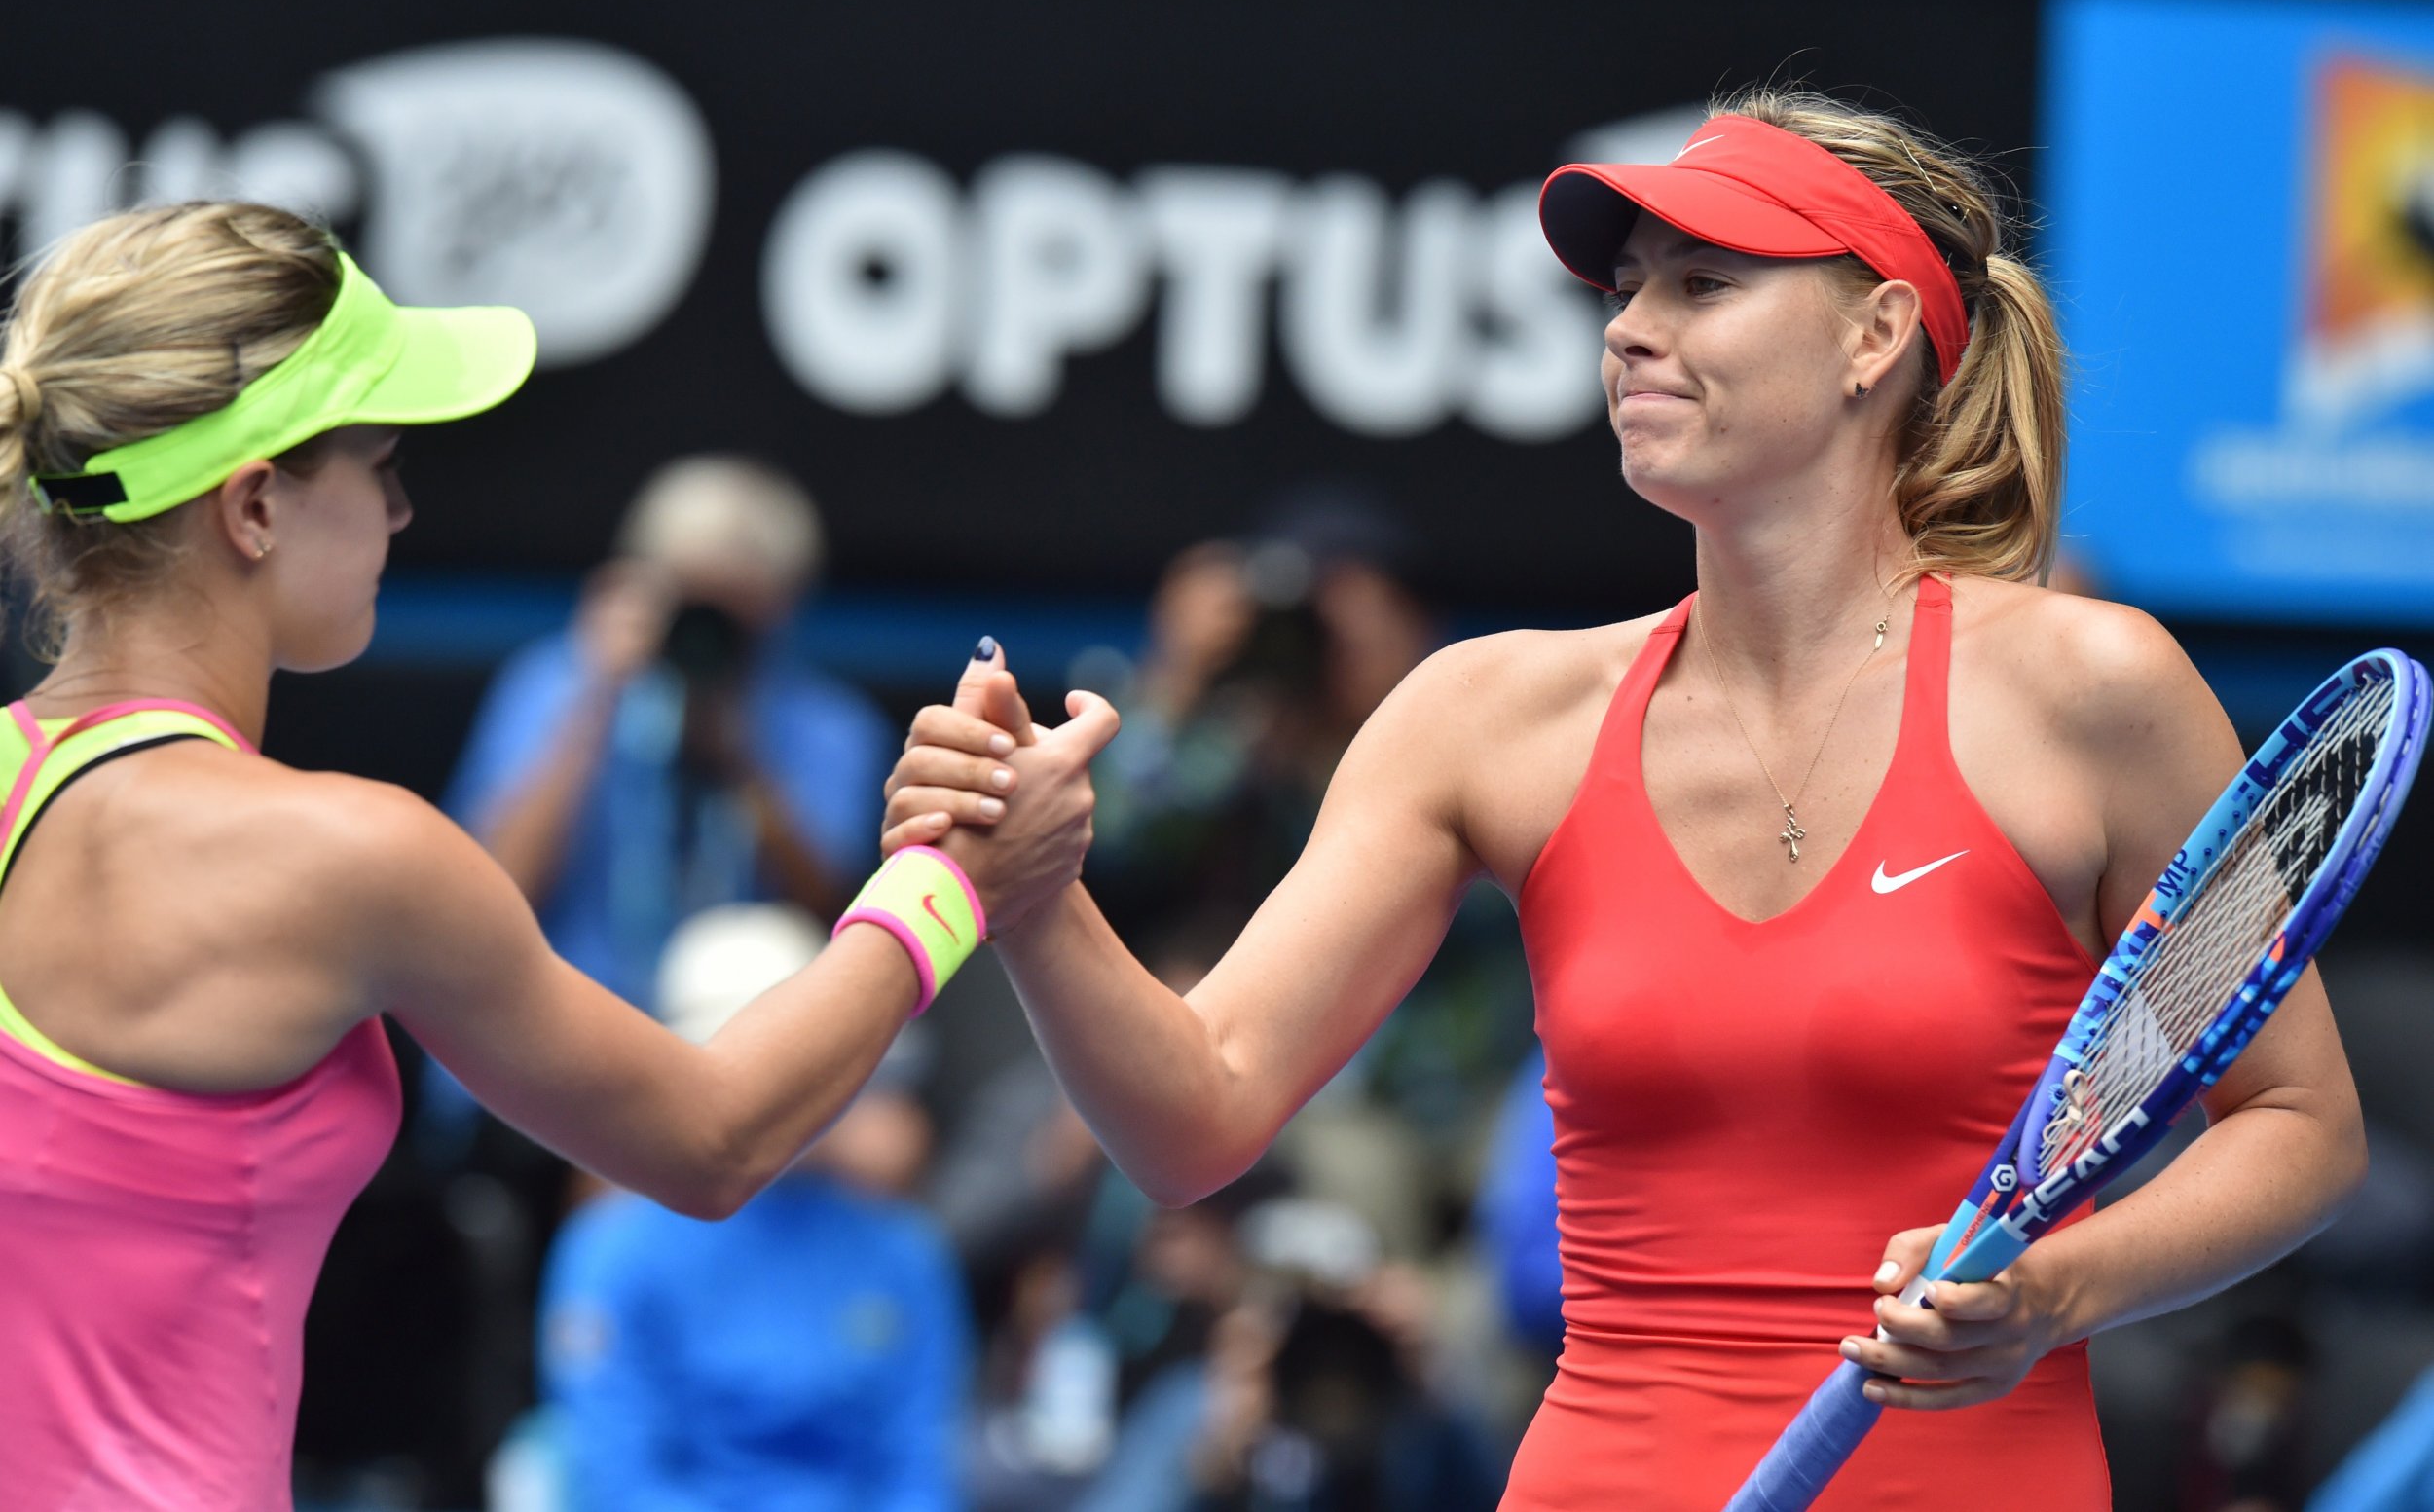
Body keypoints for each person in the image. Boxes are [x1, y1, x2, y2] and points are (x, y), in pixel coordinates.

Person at [880, 90, 2368, 1509]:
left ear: (1878, 334)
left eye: (1703, 284)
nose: (1631, 334)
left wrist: (2054, 1290)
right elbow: (1193, 1118)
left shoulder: (2090, 687)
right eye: (1624, 293)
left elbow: (2300, 1121)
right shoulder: (1486, 717)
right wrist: (1036, 898)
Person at [0, 201, 1107, 1512]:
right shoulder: (351, 852)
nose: (404, 508)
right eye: (379, 461)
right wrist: (959, 880)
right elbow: (713, 1137)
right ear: (253, 507)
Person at [540, 904, 972, 1512]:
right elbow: (619, 1479)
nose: (763, 1093)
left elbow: (919, 1473)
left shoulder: (906, 1253)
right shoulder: (611, 1250)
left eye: (789, 1064)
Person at [451, 456, 892, 1009]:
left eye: (731, 614)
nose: (706, 635)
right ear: (644, 586)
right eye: (691, 605)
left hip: (743, 1030)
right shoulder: (554, 684)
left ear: (781, 607)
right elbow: (490, 895)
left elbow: (841, 928)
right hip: (557, 1028)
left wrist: (743, 768)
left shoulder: (830, 725)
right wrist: (596, 702)